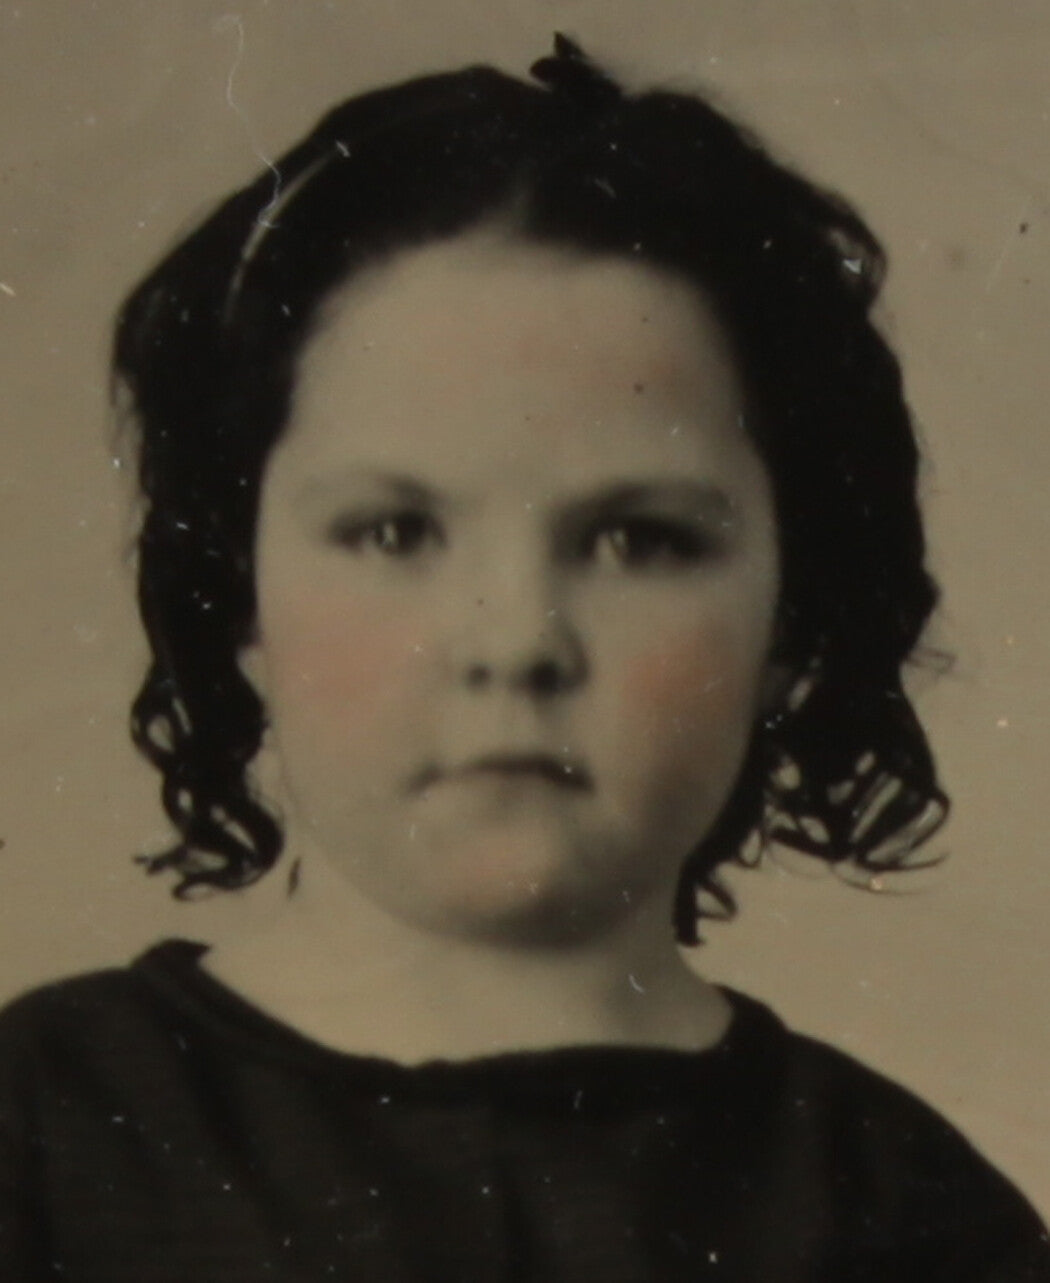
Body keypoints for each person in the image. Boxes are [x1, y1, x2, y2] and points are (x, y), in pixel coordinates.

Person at [0, 34, 1046, 1281]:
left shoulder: (918, 1219)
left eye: (640, 538)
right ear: (242, 604)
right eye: (394, 530)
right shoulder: (37, 1138)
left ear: (792, 622)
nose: (514, 641)